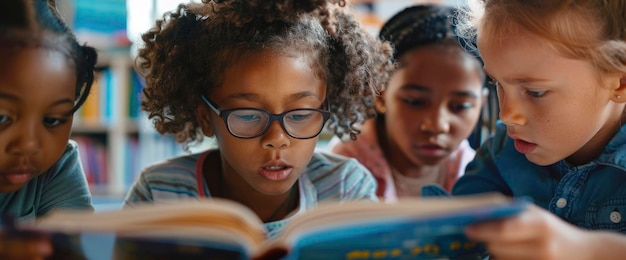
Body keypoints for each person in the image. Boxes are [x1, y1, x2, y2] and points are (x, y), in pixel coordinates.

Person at [123, 0, 394, 238]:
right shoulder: (159, 194)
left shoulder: (346, 189)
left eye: (300, 114)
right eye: (249, 115)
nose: (276, 139)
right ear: (205, 117)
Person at [448, 0, 626, 258]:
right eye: (498, 83)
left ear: (620, 83)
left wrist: (587, 250)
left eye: (535, 92)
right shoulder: (501, 153)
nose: (507, 115)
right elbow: (455, 236)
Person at [328, 4, 488, 201]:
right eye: (415, 102)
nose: (437, 125)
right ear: (379, 94)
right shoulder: (342, 172)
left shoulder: (473, 170)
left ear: (481, 103)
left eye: (460, 106)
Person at [0, 0, 98, 258]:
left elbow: (84, 250)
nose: (30, 144)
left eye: (53, 120)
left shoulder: (57, 166)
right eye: (2, 118)